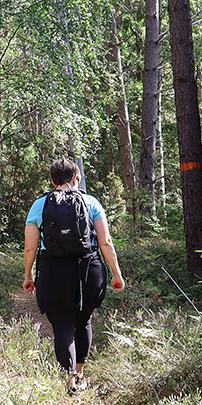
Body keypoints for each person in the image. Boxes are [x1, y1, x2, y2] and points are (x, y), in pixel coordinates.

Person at [22, 157, 125, 392]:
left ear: (52, 181)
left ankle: (69, 380)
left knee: (62, 324)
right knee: (84, 320)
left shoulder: (40, 205)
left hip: (53, 271)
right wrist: (116, 273)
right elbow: (105, 242)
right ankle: (80, 374)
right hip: (89, 268)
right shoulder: (91, 202)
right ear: (76, 179)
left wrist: (28, 275)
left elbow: (30, 247)